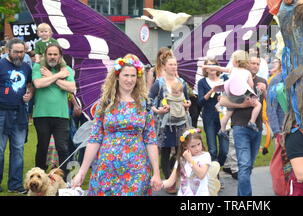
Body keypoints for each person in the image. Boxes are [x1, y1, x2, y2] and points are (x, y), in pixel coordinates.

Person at [71, 54, 162, 195]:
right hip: (107, 167)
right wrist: (82, 171)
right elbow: (95, 138)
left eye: (133, 76)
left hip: (136, 169)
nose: (130, 80)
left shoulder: (145, 104)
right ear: (117, 76)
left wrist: (156, 172)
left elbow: (150, 139)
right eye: (126, 75)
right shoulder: (105, 103)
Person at [218, 54, 267, 196]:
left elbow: (266, 101)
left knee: (248, 166)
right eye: (252, 63)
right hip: (240, 127)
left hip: (256, 128)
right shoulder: (235, 77)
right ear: (246, 64)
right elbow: (222, 101)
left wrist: (265, 89)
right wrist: (242, 105)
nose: (255, 66)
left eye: (258, 64)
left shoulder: (262, 81)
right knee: (244, 166)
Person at [149, 53, 191, 193]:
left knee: (180, 150)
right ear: (164, 67)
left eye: (175, 64)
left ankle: (178, 176)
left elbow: (185, 99)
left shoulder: (181, 82)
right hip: (165, 124)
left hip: (180, 123)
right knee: (166, 151)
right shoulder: (159, 83)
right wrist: (158, 110)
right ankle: (168, 181)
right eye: (171, 64)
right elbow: (149, 101)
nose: (174, 67)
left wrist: (187, 104)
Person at [32, 44, 76, 175]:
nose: (52, 57)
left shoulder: (66, 69)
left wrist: (51, 76)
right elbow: (39, 84)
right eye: (49, 54)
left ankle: (64, 180)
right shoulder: (38, 67)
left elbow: (71, 88)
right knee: (42, 148)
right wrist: (58, 76)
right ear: (45, 55)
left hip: (61, 115)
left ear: (60, 56)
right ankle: (40, 178)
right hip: (41, 114)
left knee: (62, 148)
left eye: (55, 54)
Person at [0, 38, 33, 194]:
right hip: (1, 112)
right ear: (8, 50)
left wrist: (29, 94)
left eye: (22, 52)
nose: (19, 55)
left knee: (18, 149)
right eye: (16, 52)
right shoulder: (0, 64)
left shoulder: (26, 67)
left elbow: (29, 86)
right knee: (0, 149)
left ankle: (15, 185)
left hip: (20, 113)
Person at [203, 50, 261, 134]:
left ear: (236, 61)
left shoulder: (232, 69)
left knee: (228, 113)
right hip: (243, 92)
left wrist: (205, 66)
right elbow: (251, 85)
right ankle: (252, 121)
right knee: (258, 104)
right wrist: (251, 94)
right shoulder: (247, 72)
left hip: (230, 93)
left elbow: (219, 68)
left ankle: (222, 129)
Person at [162, 128, 213, 196]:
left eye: (199, 144)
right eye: (193, 146)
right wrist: (159, 184)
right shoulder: (181, 159)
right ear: (185, 146)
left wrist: (190, 160)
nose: (197, 148)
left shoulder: (205, 156)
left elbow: (201, 175)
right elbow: (170, 181)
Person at [197, 59, 229, 166]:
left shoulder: (224, 79)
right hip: (209, 117)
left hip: (223, 117)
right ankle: (216, 175)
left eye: (214, 65)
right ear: (205, 69)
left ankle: (218, 165)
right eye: (209, 65)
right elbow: (200, 102)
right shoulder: (202, 82)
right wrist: (211, 91)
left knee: (224, 150)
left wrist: (224, 97)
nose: (212, 67)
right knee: (212, 149)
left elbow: (233, 95)